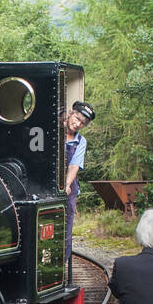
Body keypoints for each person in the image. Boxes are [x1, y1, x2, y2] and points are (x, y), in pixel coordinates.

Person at [62, 100, 94, 282]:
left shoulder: (81, 141)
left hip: (69, 187)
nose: (78, 124)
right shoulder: (53, 132)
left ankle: (62, 267)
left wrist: (66, 184)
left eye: (83, 123)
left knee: (66, 228)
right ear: (70, 113)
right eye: (77, 118)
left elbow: (74, 165)